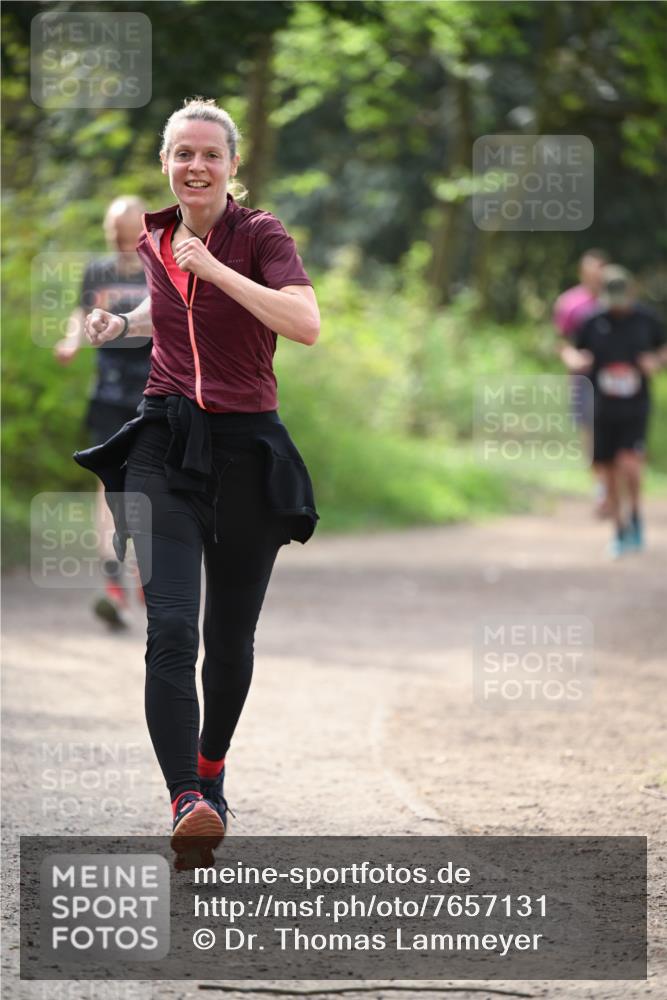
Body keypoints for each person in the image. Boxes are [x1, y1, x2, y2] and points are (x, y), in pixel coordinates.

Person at [73, 98, 320, 864]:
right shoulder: (155, 236)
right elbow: (175, 305)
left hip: (247, 450)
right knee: (172, 627)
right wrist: (126, 324)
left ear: (232, 166)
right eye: (182, 153)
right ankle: (186, 797)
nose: (196, 166)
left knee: (229, 637)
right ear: (165, 163)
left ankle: (212, 768)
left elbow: (304, 323)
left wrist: (215, 268)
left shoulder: (261, 235)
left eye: (210, 154)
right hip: (164, 443)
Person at [54, 197, 151, 628]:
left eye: (129, 235)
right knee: (109, 487)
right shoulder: (97, 270)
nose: (121, 242)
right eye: (115, 235)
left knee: (150, 482)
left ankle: (150, 574)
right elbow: (81, 312)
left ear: (143, 231)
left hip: (153, 390)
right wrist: (71, 340)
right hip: (109, 393)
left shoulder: (159, 268)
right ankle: (113, 579)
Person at [565, 265, 666, 558]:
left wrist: (656, 362)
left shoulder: (647, 320)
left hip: (635, 405)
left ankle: (635, 514)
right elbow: (570, 349)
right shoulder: (591, 320)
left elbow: (663, 348)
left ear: (631, 293)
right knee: (608, 470)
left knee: (630, 464)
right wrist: (575, 359)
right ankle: (620, 530)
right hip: (601, 406)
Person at [554, 248, 609, 515]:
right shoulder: (569, 303)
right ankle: (601, 488)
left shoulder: (617, 300)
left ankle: (611, 485)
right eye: (591, 272)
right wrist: (572, 358)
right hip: (583, 379)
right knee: (589, 431)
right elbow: (561, 342)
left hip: (613, 379)